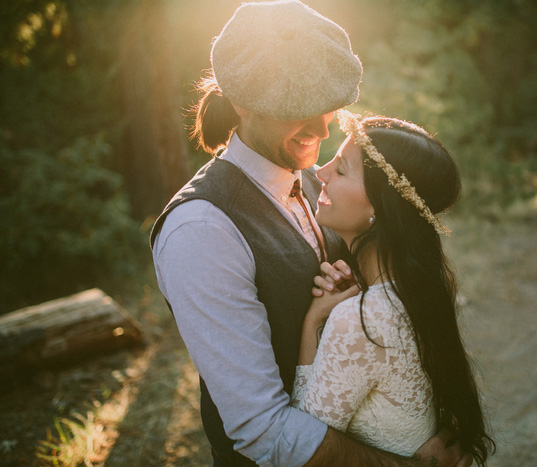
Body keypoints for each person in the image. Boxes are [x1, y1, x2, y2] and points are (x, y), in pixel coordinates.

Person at [150, 1, 470, 465]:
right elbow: (265, 432)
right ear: (241, 101)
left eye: (330, 106)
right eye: (300, 106)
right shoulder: (200, 231)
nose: (323, 128)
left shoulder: (322, 185)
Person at [290, 112, 495, 466]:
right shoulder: (419, 289)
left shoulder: (360, 321)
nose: (320, 173)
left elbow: (301, 450)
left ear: (380, 208)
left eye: (340, 170)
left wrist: (312, 324)